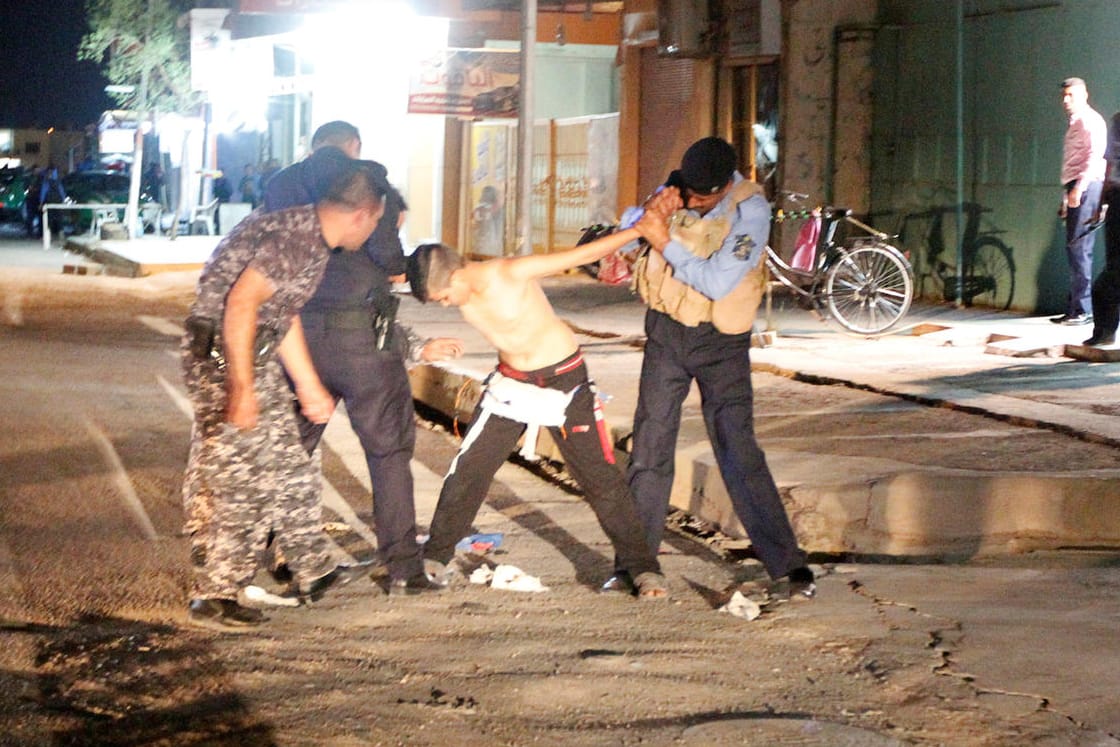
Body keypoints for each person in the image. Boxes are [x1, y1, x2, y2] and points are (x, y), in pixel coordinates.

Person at [181, 159, 388, 631]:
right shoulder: (298, 239)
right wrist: (242, 388)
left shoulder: (306, 234)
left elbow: (280, 313)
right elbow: (241, 304)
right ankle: (214, 594)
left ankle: (314, 569)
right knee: (245, 481)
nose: (373, 231)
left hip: (252, 351)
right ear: (363, 213)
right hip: (224, 357)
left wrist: (309, 383)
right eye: (376, 221)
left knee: (291, 465)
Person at [408, 233, 670, 599]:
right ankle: (436, 555)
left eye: (444, 298)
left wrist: (637, 230)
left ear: (454, 277)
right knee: (469, 468)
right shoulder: (458, 289)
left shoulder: (510, 272)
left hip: (565, 381)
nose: (447, 305)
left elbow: (580, 253)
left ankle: (644, 569)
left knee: (600, 479)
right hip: (511, 385)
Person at [612, 136, 815, 598]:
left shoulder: (751, 212)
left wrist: (663, 238)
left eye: (703, 197)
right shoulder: (679, 187)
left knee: (737, 448)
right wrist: (649, 210)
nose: (695, 201)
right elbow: (628, 225)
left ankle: (788, 567)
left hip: (720, 342)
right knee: (649, 447)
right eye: (690, 193)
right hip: (667, 332)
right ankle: (635, 566)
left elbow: (718, 281)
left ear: (725, 186)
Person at [264, 120, 461, 596]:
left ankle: (267, 549)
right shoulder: (371, 187)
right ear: (354, 147)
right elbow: (391, 259)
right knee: (388, 454)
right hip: (363, 342)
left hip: (298, 335)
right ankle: (402, 568)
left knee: (290, 451)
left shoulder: (279, 185)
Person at [1054, 77, 1107, 327]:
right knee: (1074, 250)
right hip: (1075, 186)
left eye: (1071, 95)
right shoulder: (1075, 122)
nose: (1066, 100)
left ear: (1084, 95)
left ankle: (1083, 310)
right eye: (1064, 95)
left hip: (1086, 186)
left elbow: (1094, 157)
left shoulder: (1090, 121)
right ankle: (1075, 307)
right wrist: (1066, 196)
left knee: (1080, 248)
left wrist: (1079, 188)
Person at [1085, 110, 1120, 346]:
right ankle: (1105, 331)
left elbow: (1110, 164)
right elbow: (1109, 164)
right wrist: (1102, 203)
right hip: (1117, 196)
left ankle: (1105, 331)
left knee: (1111, 276)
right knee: (1113, 269)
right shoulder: (1117, 121)